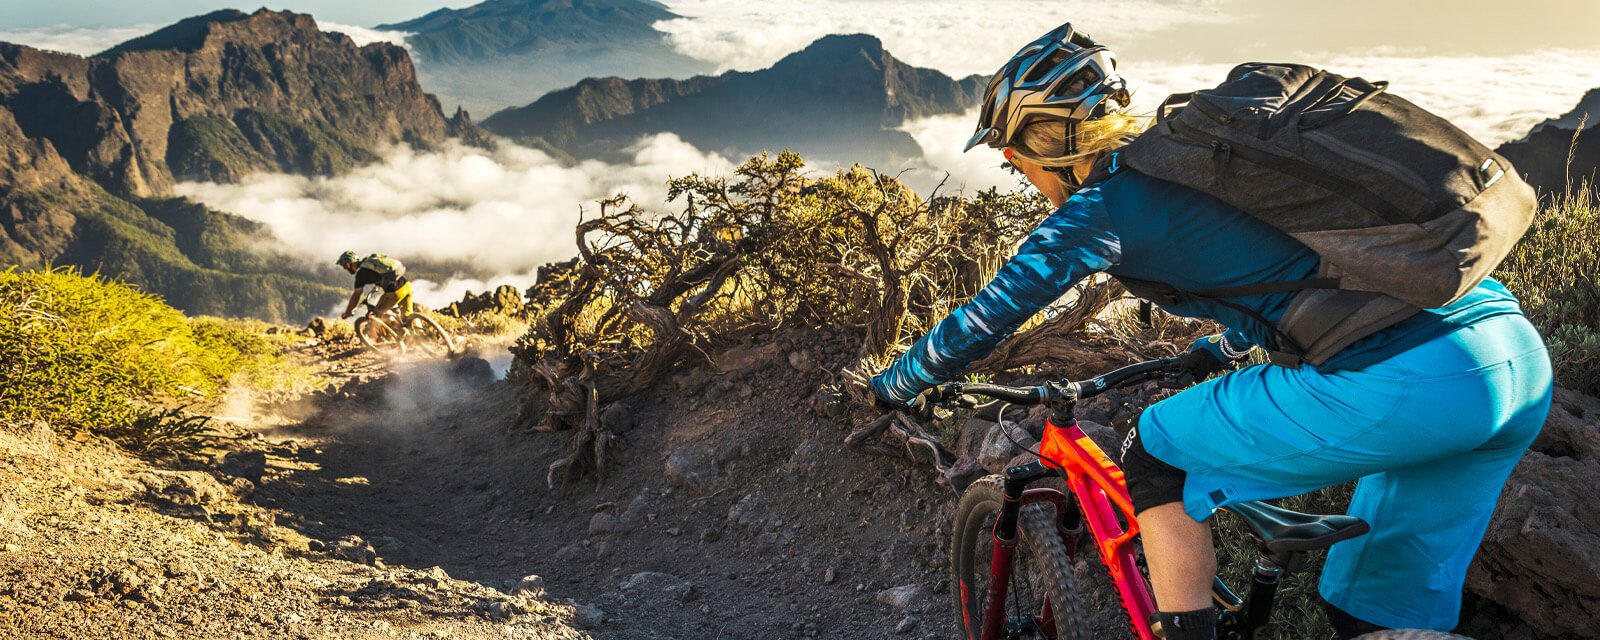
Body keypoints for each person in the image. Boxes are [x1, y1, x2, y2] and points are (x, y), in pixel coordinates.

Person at [870, 23, 1552, 640]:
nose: (1016, 172)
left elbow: (987, 316)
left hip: (1405, 379)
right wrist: (1223, 347)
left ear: (1042, 143)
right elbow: (1295, 263)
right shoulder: (1208, 158)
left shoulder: (1101, 207)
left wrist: (897, 383)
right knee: (1372, 609)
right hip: (1511, 356)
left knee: (1156, 454)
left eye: (1013, 157)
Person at [336, 251, 414, 322]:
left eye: (344, 266)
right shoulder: (369, 264)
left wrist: (348, 312)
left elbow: (356, 295)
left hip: (395, 292)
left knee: (376, 316)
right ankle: (416, 330)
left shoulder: (361, 274)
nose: (344, 268)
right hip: (407, 286)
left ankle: (395, 327)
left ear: (348, 263)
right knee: (408, 318)